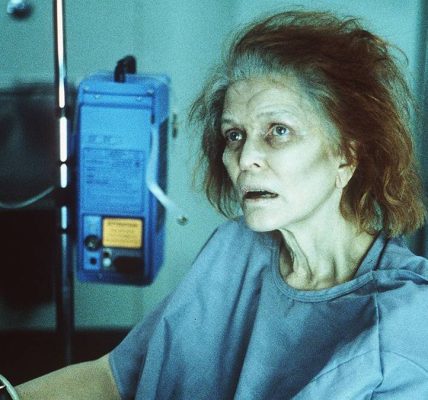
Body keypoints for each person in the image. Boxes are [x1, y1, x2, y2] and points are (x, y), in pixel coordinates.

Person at [9, 9, 428, 400]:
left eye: (279, 131)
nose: (245, 159)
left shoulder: (403, 323)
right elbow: (112, 377)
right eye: (235, 135)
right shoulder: (234, 250)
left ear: (346, 156)